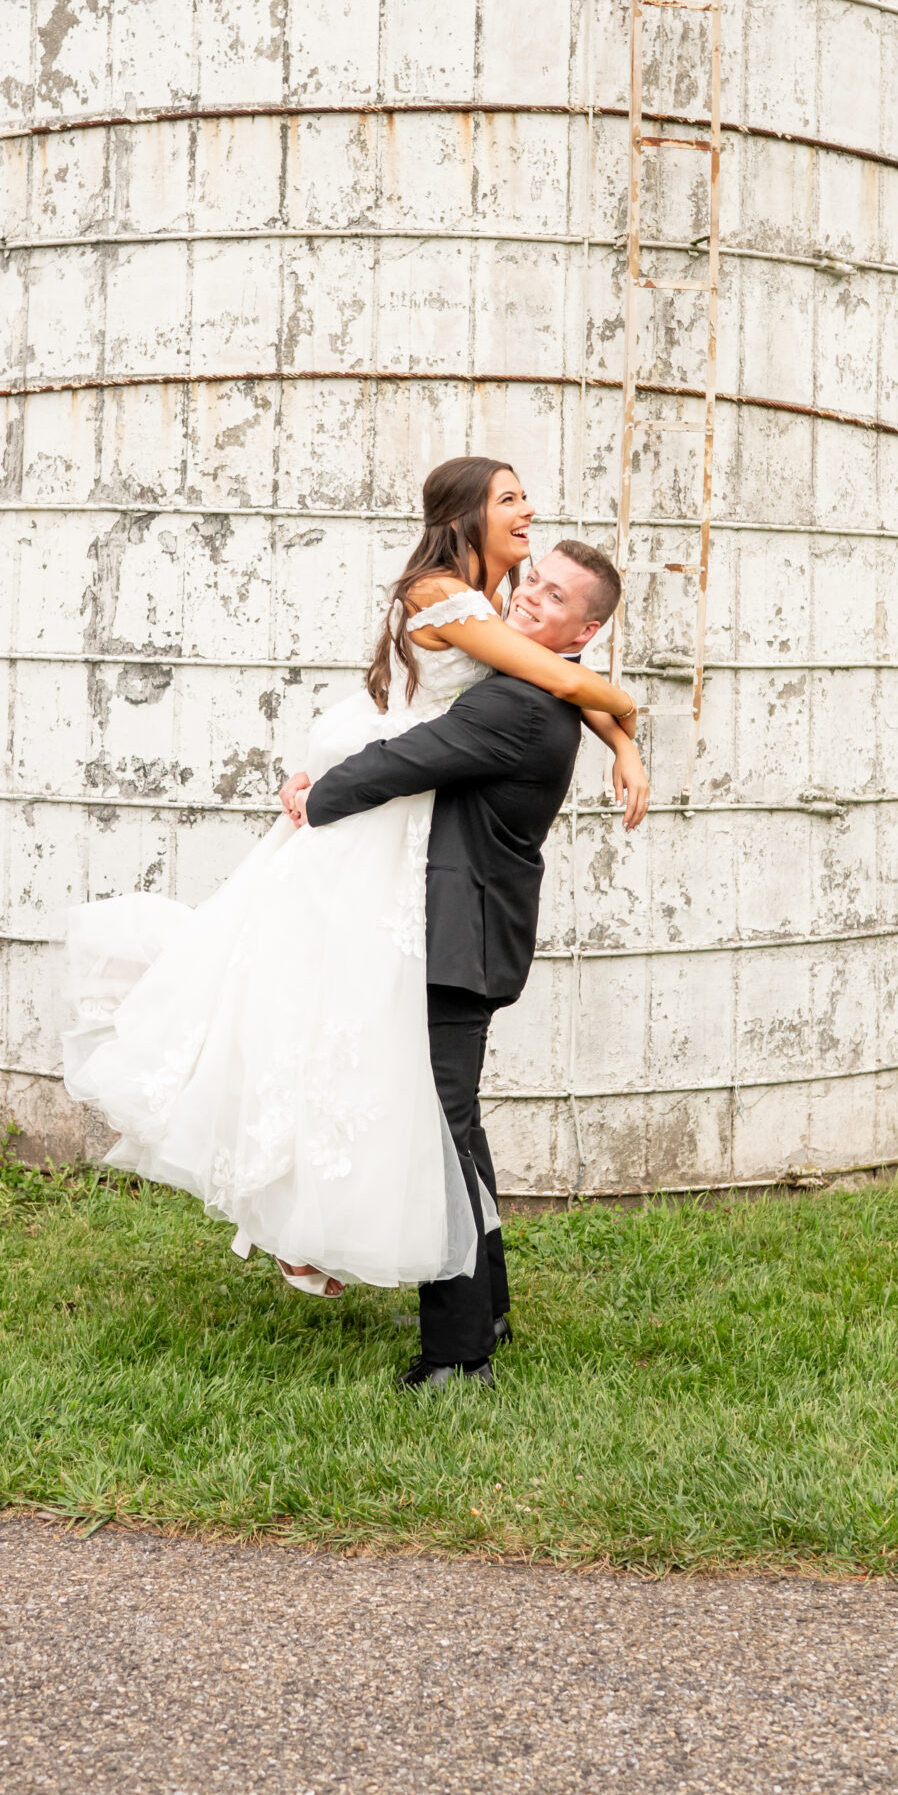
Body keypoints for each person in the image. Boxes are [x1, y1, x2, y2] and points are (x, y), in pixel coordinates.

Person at [61, 458, 644, 1322]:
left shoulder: (502, 627)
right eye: (509, 500)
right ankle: (392, 1279)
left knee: (380, 1074)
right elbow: (558, 674)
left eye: (525, 501)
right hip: (386, 809)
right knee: (328, 1039)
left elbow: (553, 674)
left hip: (411, 834)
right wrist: (628, 721)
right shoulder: (445, 594)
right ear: (466, 515)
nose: (525, 515)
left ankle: (448, 1320)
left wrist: (621, 739)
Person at [287, 535, 626, 1390]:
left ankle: (457, 1355)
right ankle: (487, 1312)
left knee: (437, 1136)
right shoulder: (531, 688)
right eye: (534, 581)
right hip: (463, 935)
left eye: (555, 598)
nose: (530, 595)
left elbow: (403, 763)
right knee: (457, 1131)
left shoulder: (513, 706)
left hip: (456, 942)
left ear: (582, 634)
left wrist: (315, 798)